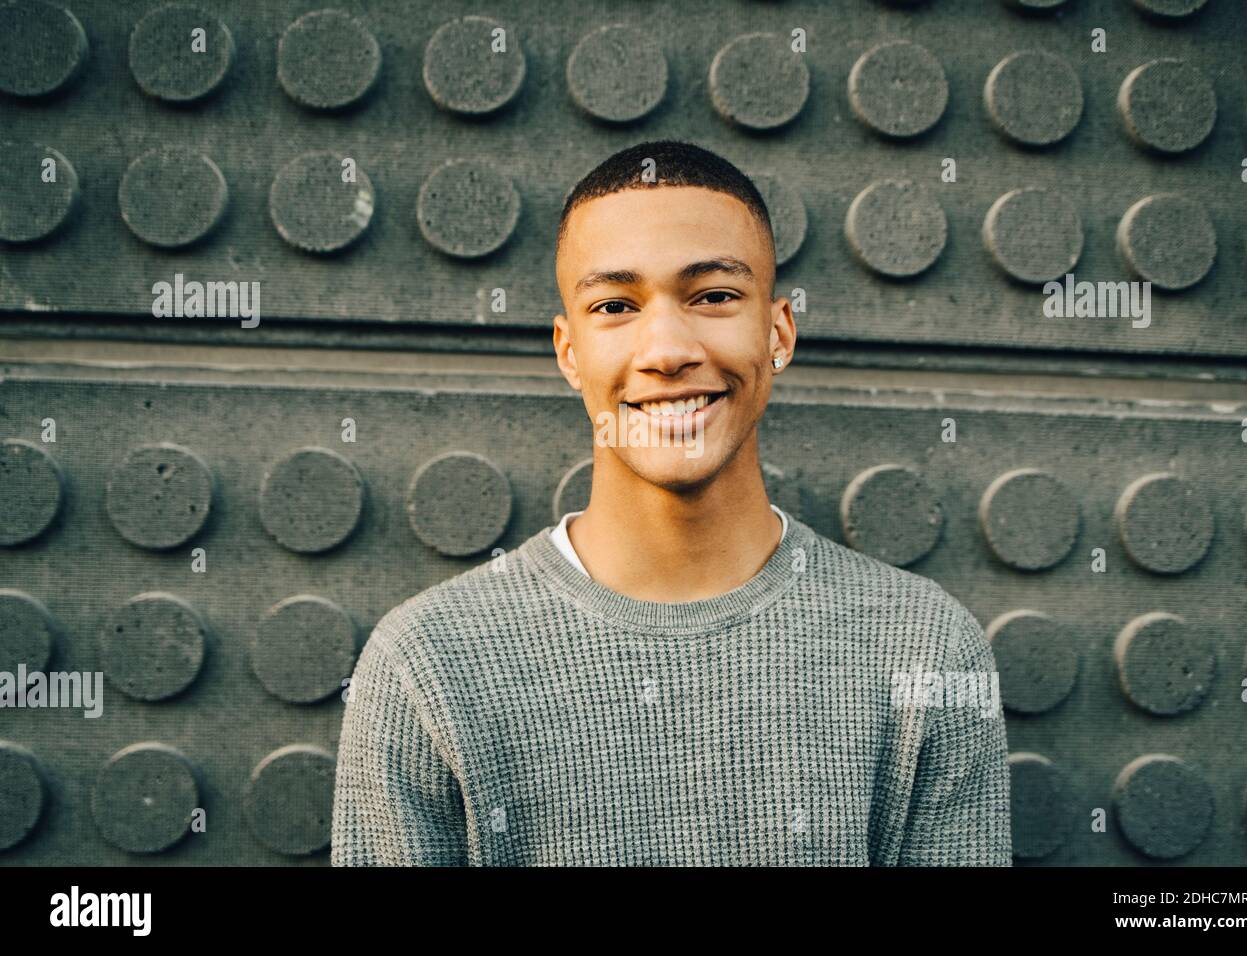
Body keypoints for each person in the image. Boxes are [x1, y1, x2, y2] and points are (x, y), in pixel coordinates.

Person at [331, 140, 1012, 866]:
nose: (665, 349)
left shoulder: (924, 647)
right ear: (569, 352)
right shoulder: (428, 661)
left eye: (714, 296)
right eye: (615, 306)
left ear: (777, 331)